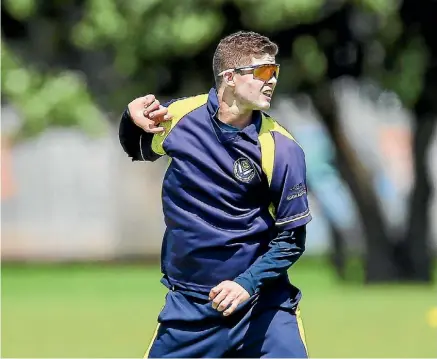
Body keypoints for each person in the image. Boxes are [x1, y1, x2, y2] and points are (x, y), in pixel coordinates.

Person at [119, 31, 312, 358]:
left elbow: (292, 238)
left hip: (262, 308)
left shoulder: (282, 148)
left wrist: (246, 284)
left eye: (275, 71)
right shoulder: (181, 118)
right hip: (191, 309)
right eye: (263, 72)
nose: (272, 81)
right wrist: (131, 118)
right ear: (230, 78)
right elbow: (137, 148)